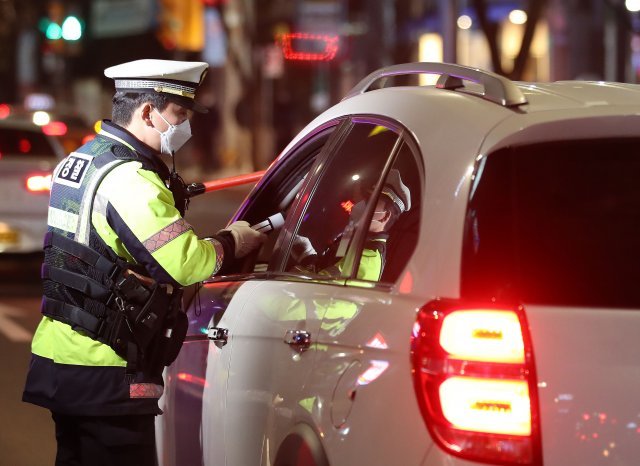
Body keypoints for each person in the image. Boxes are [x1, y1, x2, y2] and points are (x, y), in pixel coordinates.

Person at [22, 59, 265, 466]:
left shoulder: (83, 159)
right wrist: (232, 241)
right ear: (148, 111)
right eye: (180, 115)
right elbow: (185, 264)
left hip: (63, 355)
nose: (185, 127)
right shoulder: (129, 178)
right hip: (106, 365)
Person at [291, 168, 411, 281]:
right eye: (365, 199)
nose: (361, 204)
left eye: (370, 202)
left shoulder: (366, 261)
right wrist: (307, 255)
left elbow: (318, 291)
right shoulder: (353, 238)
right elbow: (327, 267)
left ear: (384, 216)